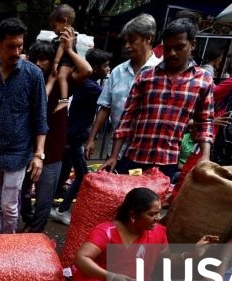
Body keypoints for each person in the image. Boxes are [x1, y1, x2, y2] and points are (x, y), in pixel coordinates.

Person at [33, 187, 217, 281]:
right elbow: (82, 259)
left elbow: (166, 260)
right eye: (152, 214)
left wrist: (191, 254)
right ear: (133, 215)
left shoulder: (158, 232)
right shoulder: (107, 231)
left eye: (159, 213)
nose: (158, 218)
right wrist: (113, 278)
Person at [105, 19, 213, 179]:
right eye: (168, 48)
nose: (172, 53)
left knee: (158, 196)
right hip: (135, 158)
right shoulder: (146, 76)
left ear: (192, 45)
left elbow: (205, 121)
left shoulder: (203, 80)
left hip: (168, 162)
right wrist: (114, 156)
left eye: (179, 47)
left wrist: (205, 156)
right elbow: (126, 118)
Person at [0, 17, 48, 235]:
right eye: (11, 46)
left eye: (20, 46)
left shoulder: (33, 75)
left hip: (18, 153)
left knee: (10, 205)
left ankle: (9, 242)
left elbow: (40, 118)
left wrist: (39, 155)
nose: (16, 52)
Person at [22, 34, 91, 234]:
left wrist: (68, 49)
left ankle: (36, 233)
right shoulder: (27, 82)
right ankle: (28, 223)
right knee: (22, 194)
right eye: (35, 59)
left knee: (44, 198)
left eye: (44, 59)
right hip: (26, 148)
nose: (39, 63)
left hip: (53, 150)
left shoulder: (64, 81)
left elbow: (86, 70)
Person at [85, 14, 159, 160]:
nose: (127, 46)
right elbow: (105, 107)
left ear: (148, 39)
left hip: (147, 154)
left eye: (132, 41)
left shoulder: (161, 72)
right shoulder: (118, 72)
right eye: (126, 42)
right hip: (115, 152)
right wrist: (91, 138)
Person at [51, 48, 112, 225]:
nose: (108, 69)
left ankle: (50, 205)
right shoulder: (91, 87)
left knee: (63, 173)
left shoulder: (85, 83)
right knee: (82, 176)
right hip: (74, 137)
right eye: (106, 66)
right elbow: (109, 99)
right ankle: (62, 210)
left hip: (71, 135)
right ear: (95, 68)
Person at [45, 4, 76, 113]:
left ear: (64, 21)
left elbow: (62, 47)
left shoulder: (67, 33)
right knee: (53, 77)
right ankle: (43, 97)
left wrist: (56, 62)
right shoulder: (64, 34)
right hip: (63, 60)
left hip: (66, 61)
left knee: (61, 76)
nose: (53, 30)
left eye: (54, 26)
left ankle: (64, 100)